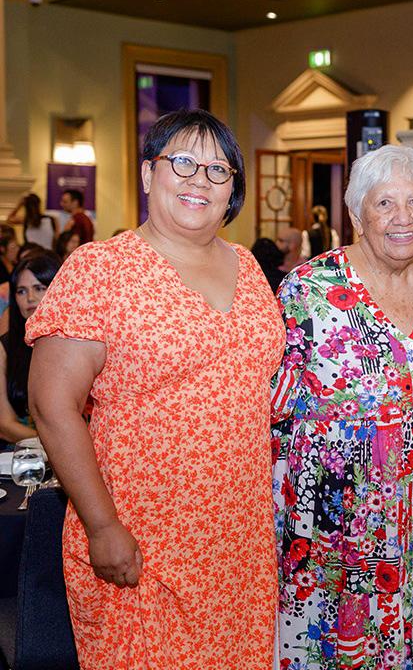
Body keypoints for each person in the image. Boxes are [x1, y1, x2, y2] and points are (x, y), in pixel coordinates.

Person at [26, 108, 285, 670]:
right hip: (142, 539)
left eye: (219, 171)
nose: (200, 180)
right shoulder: (101, 269)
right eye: (183, 162)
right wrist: (102, 525)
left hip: (239, 538)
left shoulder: (247, 266)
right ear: (148, 174)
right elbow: (52, 407)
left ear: (233, 192)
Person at [271, 144, 413, 669]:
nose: (403, 218)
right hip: (334, 523)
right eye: (385, 204)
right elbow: (267, 409)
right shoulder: (309, 290)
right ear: (356, 215)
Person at [0, 251, 61, 445]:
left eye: (39, 288)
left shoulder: (80, 344)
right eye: (21, 291)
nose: (31, 298)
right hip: (21, 456)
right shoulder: (4, 348)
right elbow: (5, 424)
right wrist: (58, 446)